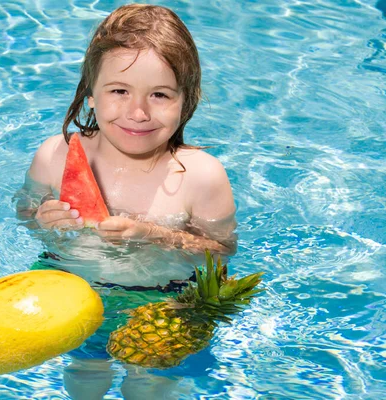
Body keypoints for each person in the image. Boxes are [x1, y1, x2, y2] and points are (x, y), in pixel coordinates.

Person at [16, 4, 235, 399]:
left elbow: (220, 253)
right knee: (84, 371)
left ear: (187, 100)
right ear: (90, 93)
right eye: (119, 91)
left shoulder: (202, 175)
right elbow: (25, 211)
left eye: (160, 95)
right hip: (73, 291)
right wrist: (41, 218)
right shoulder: (55, 155)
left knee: (148, 385)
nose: (138, 112)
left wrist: (155, 235)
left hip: (162, 303)